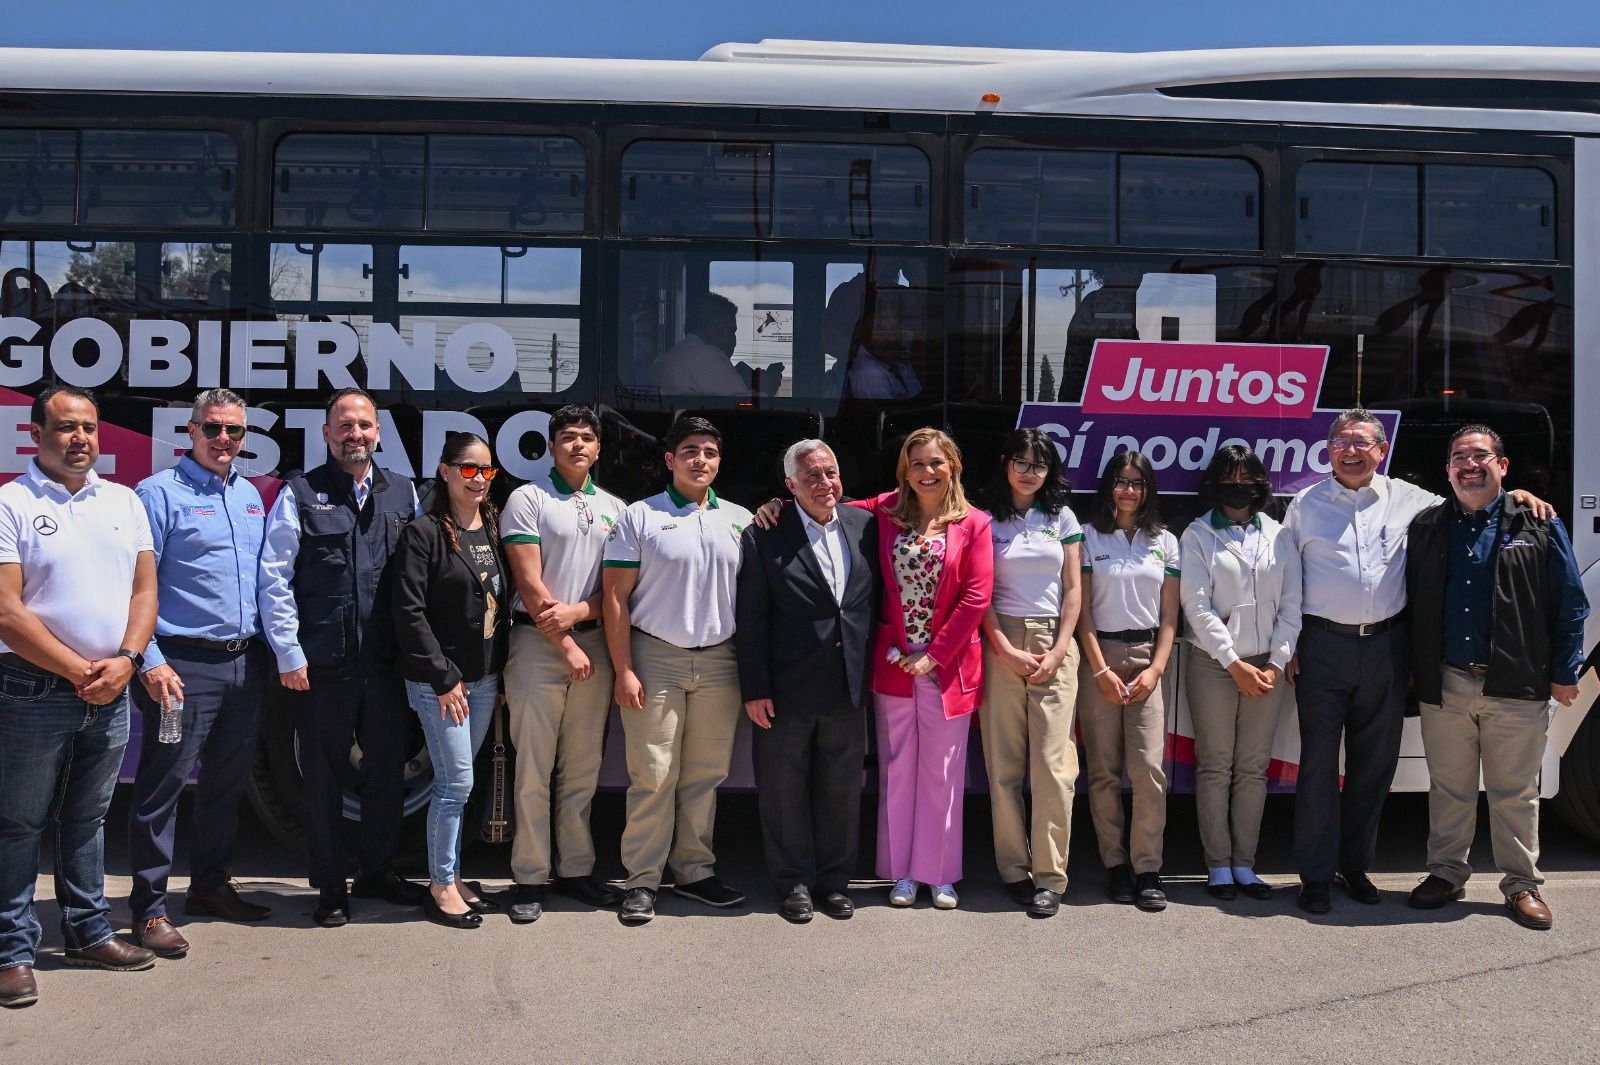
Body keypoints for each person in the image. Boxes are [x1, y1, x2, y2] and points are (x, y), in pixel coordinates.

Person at [1284, 407, 1551, 915]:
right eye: (1341, 443)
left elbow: (1476, 498)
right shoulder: (1304, 505)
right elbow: (1288, 578)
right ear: (1328, 450)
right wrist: (1290, 644)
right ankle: (1314, 876)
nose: (1351, 452)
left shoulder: (1414, 501)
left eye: (1362, 443)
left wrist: (1517, 495)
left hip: (1387, 649)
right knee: (1317, 766)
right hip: (1322, 647)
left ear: (1382, 451)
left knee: (1374, 767)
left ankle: (1353, 867)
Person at [0, 386, 158, 1009]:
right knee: (18, 824)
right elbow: (7, 611)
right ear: (35, 433)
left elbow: (144, 592)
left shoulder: (123, 501)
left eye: (89, 427)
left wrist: (127, 662)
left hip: (111, 688)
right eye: (66, 427)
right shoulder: (11, 502)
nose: (80, 439)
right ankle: (11, 952)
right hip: (32, 688)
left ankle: (89, 932)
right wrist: (77, 670)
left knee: (88, 818)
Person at [1404, 425, 1587, 930]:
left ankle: (1521, 884)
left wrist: (1564, 671)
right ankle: (1446, 873)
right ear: (1447, 470)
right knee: (1449, 788)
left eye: (1480, 456)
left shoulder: (1538, 522)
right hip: (1447, 681)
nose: (1469, 465)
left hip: (1517, 680)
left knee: (1515, 792)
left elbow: (1571, 602)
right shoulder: (1427, 525)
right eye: (1459, 458)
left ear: (1502, 466)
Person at [258, 387, 426, 927]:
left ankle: (377, 871)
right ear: (327, 433)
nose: (356, 434)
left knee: (385, 776)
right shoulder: (301, 493)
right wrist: (288, 653)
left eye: (365, 425)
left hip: (386, 665)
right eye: (345, 426)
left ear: (379, 433)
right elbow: (274, 579)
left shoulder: (404, 493)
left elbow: (419, 577)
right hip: (323, 664)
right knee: (324, 779)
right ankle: (331, 887)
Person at [127, 389, 275, 962]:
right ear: (190, 431)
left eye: (234, 430)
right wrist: (150, 660)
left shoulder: (249, 495)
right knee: (162, 788)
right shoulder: (158, 494)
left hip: (243, 663)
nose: (224, 439)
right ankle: (149, 910)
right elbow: (132, 586)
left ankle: (210, 886)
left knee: (226, 784)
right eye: (213, 428)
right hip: (181, 667)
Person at [602, 416, 755, 924]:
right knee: (653, 773)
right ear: (670, 460)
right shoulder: (640, 516)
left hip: (720, 661)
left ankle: (693, 872)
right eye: (690, 451)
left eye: (710, 452)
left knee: (705, 775)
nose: (700, 460)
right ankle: (642, 879)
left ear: (719, 462)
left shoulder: (741, 520)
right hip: (656, 657)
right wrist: (624, 669)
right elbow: (615, 598)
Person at [735, 439, 878, 923]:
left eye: (830, 472)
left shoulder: (865, 526)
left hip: (848, 685)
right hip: (784, 689)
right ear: (790, 485)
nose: (824, 483)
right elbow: (752, 618)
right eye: (811, 475)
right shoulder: (764, 533)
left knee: (842, 789)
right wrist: (755, 688)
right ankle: (793, 883)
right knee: (783, 790)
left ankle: (835, 882)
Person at [500, 405, 627, 922]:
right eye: (568, 437)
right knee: (533, 767)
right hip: (537, 644)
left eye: (587, 438)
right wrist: (566, 641)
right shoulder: (527, 499)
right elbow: (529, 583)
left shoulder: (616, 508)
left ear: (598, 449)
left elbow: (617, 591)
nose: (578, 445)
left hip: (595, 644)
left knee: (582, 768)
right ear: (551, 446)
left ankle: (575, 870)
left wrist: (579, 616)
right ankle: (529, 876)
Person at [858, 428, 993, 910]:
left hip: (947, 665)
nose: (927, 471)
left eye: (936, 462)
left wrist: (933, 654)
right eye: (917, 463)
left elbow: (976, 597)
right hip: (894, 664)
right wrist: (778, 505)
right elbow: (826, 507)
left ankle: (938, 875)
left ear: (952, 466)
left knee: (942, 773)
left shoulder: (975, 523)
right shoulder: (886, 510)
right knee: (897, 769)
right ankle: (900, 874)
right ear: (904, 471)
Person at [391, 433, 509, 929]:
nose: (478, 479)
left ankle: (454, 877)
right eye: (468, 469)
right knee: (455, 783)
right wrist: (443, 678)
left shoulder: (492, 527)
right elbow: (409, 613)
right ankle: (440, 886)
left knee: (461, 783)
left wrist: (499, 673)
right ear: (445, 471)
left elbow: (498, 608)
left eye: (487, 470)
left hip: (484, 681)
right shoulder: (423, 533)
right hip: (443, 684)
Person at [1179, 445, 1301, 903]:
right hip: (1214, 665)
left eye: (1247, 478)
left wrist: (1275, 661)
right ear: (1214, 484)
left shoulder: (1280, 535)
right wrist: (1234, 663)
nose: (1238, 486)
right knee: (1215, 765)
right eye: (1229, 479)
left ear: (1261, 484)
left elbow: (1292, 605)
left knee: (1252, 768)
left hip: (1267, 665)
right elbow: (1197, 607)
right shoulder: (1197, 534)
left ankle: (1245, 865)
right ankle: (1218, 866)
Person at [977, 428, 1083, 918]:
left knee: (1053, 767)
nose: (1028, 472)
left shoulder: (1062, 517)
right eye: (1020, 461)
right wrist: (1002, 647)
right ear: (1005, 463)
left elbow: (1074, 590)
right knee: (1003, 766)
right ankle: (1013, 870)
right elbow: (978, 592)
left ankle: (1050, 876)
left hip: (1052, 641)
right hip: (999, 639)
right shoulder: (983, 519)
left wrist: (1060, 649)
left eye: (1038, 465)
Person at [1076, 451, 1180, 913]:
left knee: (1148, 770)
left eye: (1138, 483)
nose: (1129, 490)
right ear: (1108, 486)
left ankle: (1148, 868)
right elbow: (1081, 611)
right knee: (1103, 771)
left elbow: (1170, 616)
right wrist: (1099, 669)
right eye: (1121, 481)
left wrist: (1156, 669)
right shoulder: (1087, 536)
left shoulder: (1166, 541)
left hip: (1147, 657)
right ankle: (1115, 864)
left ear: (1149, 489)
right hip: (1099, 657)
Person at [653, 293, 748, 395]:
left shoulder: (663, 360)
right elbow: (742, 401)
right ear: (720, 332)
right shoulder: (707, 357)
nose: (734, 341)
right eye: (732, 331)